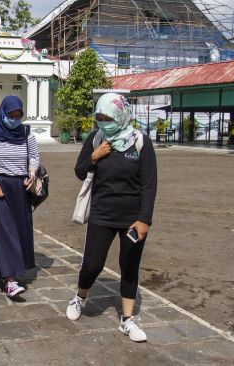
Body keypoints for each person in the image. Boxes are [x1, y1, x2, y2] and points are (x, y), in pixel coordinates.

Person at [66, 92, 157, 342]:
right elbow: (79, 170)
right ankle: (80, 297)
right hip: (101, 214)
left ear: (121, 114)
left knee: (129, 267)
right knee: (93, 264)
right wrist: (94, 157)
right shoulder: (96, 138)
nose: (103, 122)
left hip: (132, 218)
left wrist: (144, 219)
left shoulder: (140, 142)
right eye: (99, 117)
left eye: (107, 117)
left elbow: (149, 184)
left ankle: (127, 320)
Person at [0, 95, 39, 298]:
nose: (14, 118)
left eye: (17, 115)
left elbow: (34, 157)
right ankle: (9, 280)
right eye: (10, 115)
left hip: (20, 186)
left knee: (19, 229)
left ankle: (8, 270)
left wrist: (31, 173)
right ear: (2, 113)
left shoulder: (26, 133)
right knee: (5, 230)